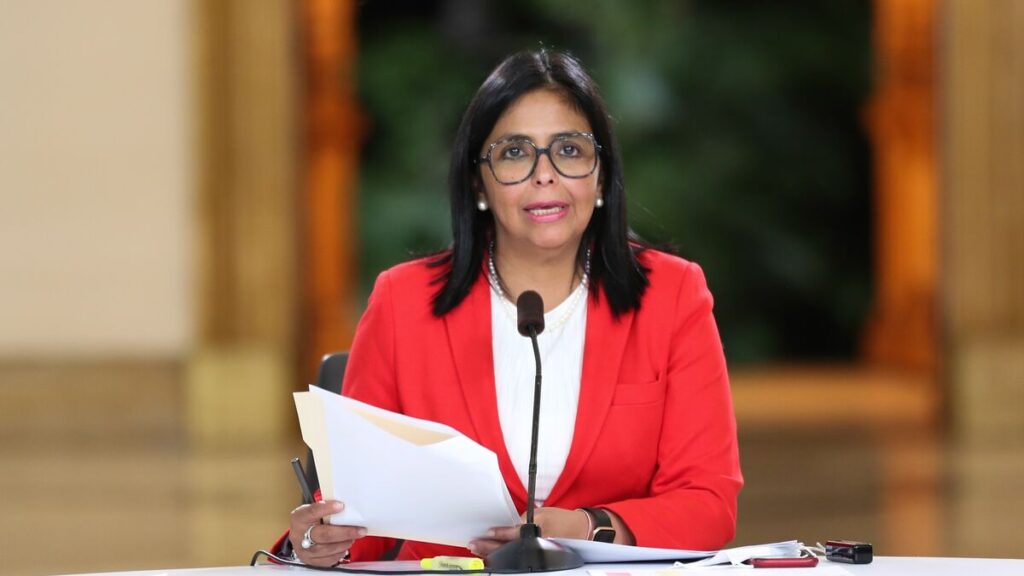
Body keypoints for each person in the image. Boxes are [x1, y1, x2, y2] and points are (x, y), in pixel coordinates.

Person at [285, 49, 743, 567]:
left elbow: (708, 504)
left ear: (600, 177)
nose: (544, 175)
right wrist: (315, 539)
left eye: (569, 150)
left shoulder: (672, 295)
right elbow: (359, 524)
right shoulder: (402, 302)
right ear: (478, 183)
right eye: (514, 153)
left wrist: (584, 527)